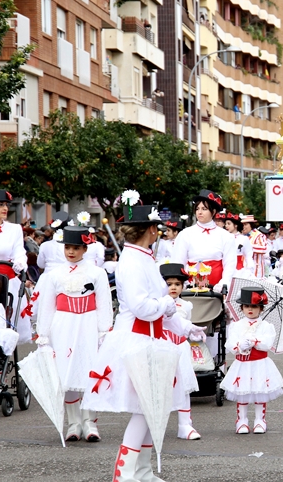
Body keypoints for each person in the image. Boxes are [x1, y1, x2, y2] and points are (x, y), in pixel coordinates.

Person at [82, 196, 206, 481]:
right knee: (144, 408)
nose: (159, 231)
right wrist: (166, 306)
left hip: (151, 338)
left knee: (154, 407)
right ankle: (124, 473)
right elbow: (143, 307)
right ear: (149, 230)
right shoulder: (133, 262)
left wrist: (187, 328)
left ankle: (143, 470)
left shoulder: (145, 258)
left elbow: (160, 306)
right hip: (137, 339)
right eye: (156, 227)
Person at [35, 226, 113, 442]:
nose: (71, 252)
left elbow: (104, 303)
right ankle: (74, 422)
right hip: (63, 325)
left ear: (85, 249)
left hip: (87, 323)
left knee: (89, 369)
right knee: (66, 372)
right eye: (68, 247)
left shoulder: (96, 273)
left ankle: (90, 422)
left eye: (76, 248)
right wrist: (43, 333)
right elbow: (47, 305)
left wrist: (104, 330)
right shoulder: (54, 275)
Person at [221, 286, 283, 434]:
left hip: (260, 363)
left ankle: (260, 420)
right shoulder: (236, 326)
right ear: (242, 308)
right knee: (242, 391)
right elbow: (230, 343)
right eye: (247, 306)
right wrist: (239, 345)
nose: (250, 309)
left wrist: (255, 341)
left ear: (261, 308)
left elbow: (268, 344)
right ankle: (241, 420)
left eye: (255, 306)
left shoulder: (266, 326)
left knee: (259, 390)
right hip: (242, 363)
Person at [159, 263, 202, 441]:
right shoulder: (158, 303)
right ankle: (156, 424)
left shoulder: (187, 305)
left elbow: (186, 324)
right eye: (169, 284)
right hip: (162, 346)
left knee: (183, 385)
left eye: (177, 284)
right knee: (161, 385)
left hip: (181, 347)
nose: (173, 287)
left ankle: (185, 424)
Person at [0, 186, 31, 343]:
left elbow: (19, 252)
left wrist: (20, 263)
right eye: (0, 205)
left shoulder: (14, 229)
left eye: (6, 205)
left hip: (7, 279)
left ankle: (2, 352)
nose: (5, 208)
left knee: (6, 315)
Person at [171, 190, 237, 293]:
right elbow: (178, 262)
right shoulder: (185, 234)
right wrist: (183, 283)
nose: (199, 212)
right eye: (197, 209)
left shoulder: (225, 236)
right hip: (190, 287)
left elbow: (230, 264)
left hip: (216, 290)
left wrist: (223, 283)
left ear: (214, 211)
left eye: (204, 209)